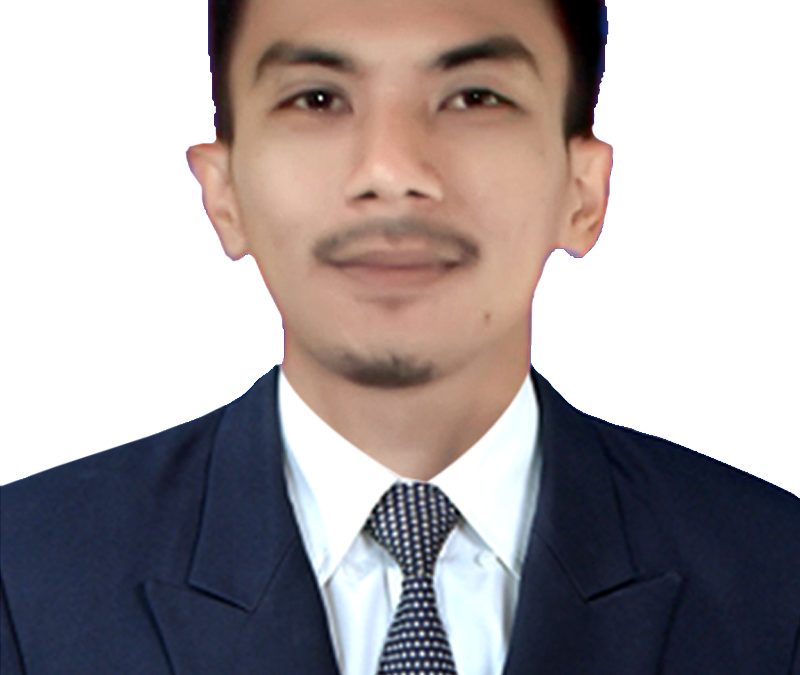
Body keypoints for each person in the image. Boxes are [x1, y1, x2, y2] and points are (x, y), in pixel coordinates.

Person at [2, 0, 799, 673]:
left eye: (475, 97)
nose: (391, 169)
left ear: (584, 191)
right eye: (317, 99)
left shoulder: (777, 580)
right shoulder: (24, 581)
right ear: (223, 192)